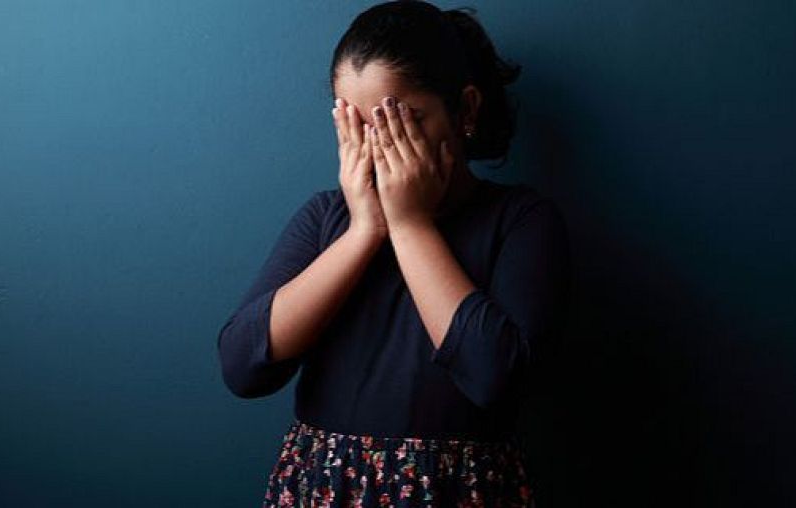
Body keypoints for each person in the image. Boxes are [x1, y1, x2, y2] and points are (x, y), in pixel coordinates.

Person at [216, 1, 570, 505]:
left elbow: (496, 377)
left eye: (401, 122)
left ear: (465, 111)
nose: (379, 147)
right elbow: (242, 367)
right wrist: (364, 230)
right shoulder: (325, 218)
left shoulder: (520, 221)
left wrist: (409, 225)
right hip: (326, 488)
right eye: (358, 126)